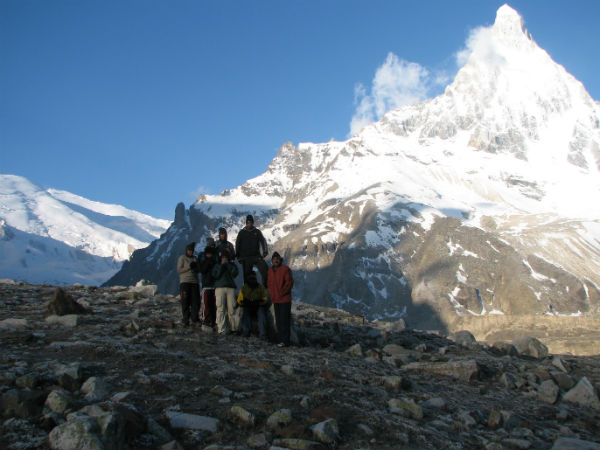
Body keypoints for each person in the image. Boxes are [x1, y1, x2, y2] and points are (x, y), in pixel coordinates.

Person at [267, 251, 294, 347]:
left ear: (280, 260)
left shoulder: (285, 269)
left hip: (284, 299)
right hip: (276, 299)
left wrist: (282, 293)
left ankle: (285, 341)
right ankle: (281, 340)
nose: (276, 260)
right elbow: (269, 284)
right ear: (272, 261)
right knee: (278, 321)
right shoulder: (270, 271)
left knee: (284, 320)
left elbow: (289, 283)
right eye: (274, 259)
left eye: (277, 259)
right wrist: (272, 294)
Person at [211, 247, 240, 334]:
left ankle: (233, 328)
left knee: (232, 308)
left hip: (230, 287)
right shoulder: (217, 265)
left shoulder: (231, 265)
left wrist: (228, 265)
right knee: (221, 308)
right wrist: (221, 266)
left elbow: (235, 273)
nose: (224, 258)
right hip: (219, 288)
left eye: (226, 257)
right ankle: (221, 329)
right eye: (223, 257)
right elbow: (215, 275)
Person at [235, 214, 268, 286]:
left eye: (250, 222)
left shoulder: (257, 232)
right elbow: (237, 244)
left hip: (256, 255)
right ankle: (247, 291)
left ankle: (265, 286)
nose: (249, 224)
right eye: (248, 222)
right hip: (245, 257)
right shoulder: (242, 233)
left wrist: (265, 251)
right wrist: (238, 256)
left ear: (253, 223)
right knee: (247, 276)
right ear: (246, 223)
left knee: (265, 269)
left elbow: (263, 241)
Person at [236, 271, 269, 340]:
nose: (252, 279)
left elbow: (265, 299)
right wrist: (244, 303)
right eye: (250, 277)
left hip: (258, 306)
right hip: (249, 306)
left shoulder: (260, 287)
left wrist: (259, 303)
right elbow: (239, 300)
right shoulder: (244, 288)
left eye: (253, 277)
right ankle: (246, 331)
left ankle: (263, 334)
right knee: (246, 313)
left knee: (261, 315)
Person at [177, 242, 201, 327]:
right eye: (189, 250)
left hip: (194, 282)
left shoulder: (195, 259)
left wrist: (196, 268)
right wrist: (189, 267)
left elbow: (198, 269)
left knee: (195, 302)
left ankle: (194, 318)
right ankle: (185, 319)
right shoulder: (182, 258)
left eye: (192, 250)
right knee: (185, 301)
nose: (191, 252)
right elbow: (179, 270)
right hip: (185, 282)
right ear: (186, 250)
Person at [198, 237, 218, 327]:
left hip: (213, 284)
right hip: (207, 284)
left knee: (213, 304)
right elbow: (202, 269)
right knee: (206, 304)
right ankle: (206, 320)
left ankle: (213, 320)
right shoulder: (203, 257)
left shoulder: (216, 256)